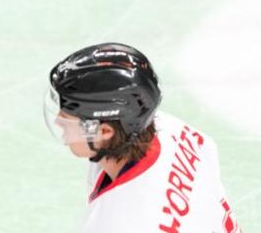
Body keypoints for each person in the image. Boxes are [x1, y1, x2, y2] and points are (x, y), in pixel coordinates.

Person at [45, 42, 242, 233]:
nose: (58, 122)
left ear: (105, 132)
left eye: (67, 118)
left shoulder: (119, 222)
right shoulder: (172, 130)